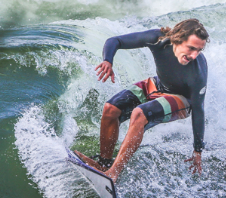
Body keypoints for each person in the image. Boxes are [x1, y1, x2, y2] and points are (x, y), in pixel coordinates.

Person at [74, 19, 209, 183]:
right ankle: (103, 164)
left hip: (182, 100)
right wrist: (108, 60)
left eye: (199, 50)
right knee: (110, 108)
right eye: (191, 48)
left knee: (139, 114)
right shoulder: (158, 39)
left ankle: (113, 173)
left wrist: (197, 150)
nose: (194, 55)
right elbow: (114, 41)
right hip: (158, 85)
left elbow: (198, 109)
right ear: (178, 38)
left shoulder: (198, 71)